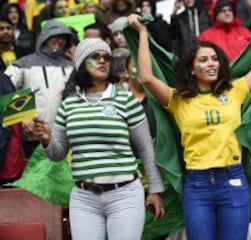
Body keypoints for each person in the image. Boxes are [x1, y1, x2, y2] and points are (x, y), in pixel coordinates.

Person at [128, 12, 251, 240]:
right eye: (203, 60)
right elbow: (146, 78)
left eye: (215, 59)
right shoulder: (178, 99)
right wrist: (143, 33)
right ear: (192, 69)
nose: (211, 63)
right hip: (197, 186)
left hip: (232, 181)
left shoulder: (235, 90)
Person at [32, 38, 165, 240]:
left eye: (106, 57)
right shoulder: (68, 105)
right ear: (82, 63)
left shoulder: (126, 100)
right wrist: (47, 139)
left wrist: (155, 190)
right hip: (83, 198)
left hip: (125, 195)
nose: (103, 61)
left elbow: (146, 148)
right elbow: (57, 155)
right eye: (95, 57)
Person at [5, 20, 74, 158]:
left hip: (63, 136)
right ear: (45, 36)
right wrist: (22, 117)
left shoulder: (71, 67)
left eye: (63, 38)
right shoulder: (23, 63)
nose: (59, 41)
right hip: (32, 136)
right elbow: (5, 89)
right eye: (55, 36)